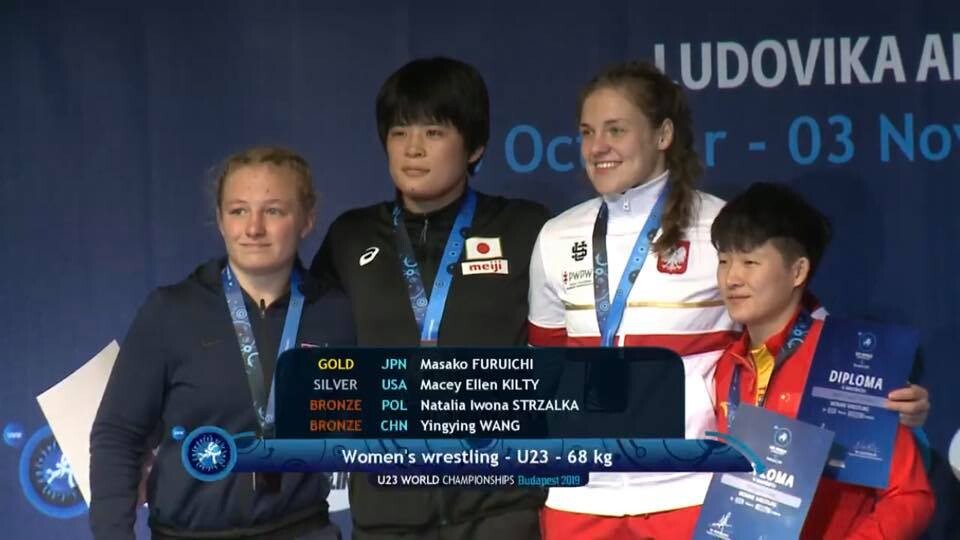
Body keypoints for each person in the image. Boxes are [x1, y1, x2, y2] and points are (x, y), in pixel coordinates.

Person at [526, 60, 930, 539]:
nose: (597, 147)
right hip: (581, 497)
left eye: (616, 130)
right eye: (587, 132)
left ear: (663, 135)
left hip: (689, 492)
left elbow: (811, 346)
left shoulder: (720, 230)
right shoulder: (556, 237)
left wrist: (892, 401)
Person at [309, 57, 551, 540]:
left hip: (499, 511)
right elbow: (311, 352)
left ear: (475, 146)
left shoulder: (525, 228)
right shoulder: (351, 236)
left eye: (434, 132)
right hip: (387, 516)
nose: (412, 149)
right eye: (399, 132)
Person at [90, 147, 353, 539]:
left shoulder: (335, 313)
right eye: (238, 210)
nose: (253, 228)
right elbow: (118, 435)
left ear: (307, 220)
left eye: (274, 211)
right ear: (220, 220)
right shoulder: (170, 313)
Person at [711, 182, 935, 538]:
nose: (731, 278)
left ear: (798, 271)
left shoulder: (847, 363)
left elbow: (909, 497)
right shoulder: (725, 368)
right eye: (724, 261)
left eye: (750, 262)